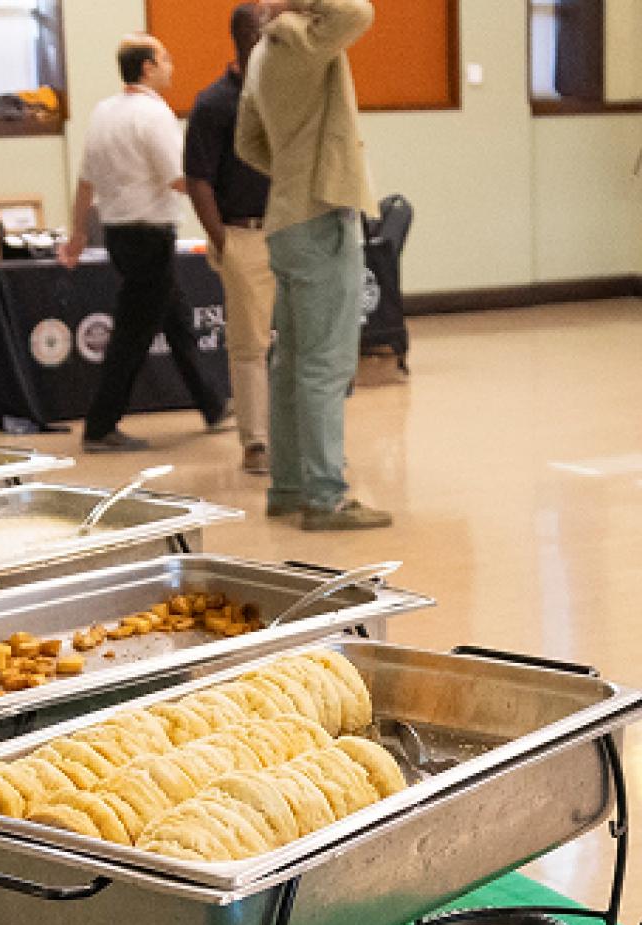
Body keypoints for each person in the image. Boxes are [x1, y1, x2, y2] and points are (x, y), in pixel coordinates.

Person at [237, 0, 391, 531]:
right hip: (321, 215)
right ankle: (325, 496)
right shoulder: (302, 36)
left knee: (291, 362)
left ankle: (288, 488)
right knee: (326, 364)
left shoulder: (260, 54)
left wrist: (291, 166)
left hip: (285, 216)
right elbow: (359, 12)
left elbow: (247, 142)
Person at [60, 34, 229, 453]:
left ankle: (211, 402)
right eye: (166, 59)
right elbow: (180, 178)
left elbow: (85, 182)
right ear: (148, 67)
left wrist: (78, 233)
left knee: (175, 318)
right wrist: (225, 198)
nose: (172, 65)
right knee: (132, 336)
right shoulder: (154, 116)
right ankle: (100, 427)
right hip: (150, 235)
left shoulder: (103, 113)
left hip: (119, 235)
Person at [185, 4, 276, 477]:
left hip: (292, 231)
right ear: (243, 41)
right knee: (249, 346)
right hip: (243, 234)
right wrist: (222, 239)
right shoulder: (214, 103)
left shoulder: (282, 94)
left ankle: (297, 436)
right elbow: (197, 179)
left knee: (302, 345)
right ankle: (256, 443)